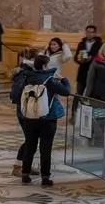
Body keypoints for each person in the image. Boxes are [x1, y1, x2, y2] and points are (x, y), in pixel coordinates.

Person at [10, 48, 70, 186]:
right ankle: (45, 177)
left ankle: (25, 174)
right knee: (45, 148)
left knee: (30, 145)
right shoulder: (50, 80)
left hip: (29, 117)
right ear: (45, 66)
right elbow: (66, 91)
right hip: (47, 119)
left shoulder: (26, 78)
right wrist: (64, 79)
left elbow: (15, 96)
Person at [73, 25, 104, 100]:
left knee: (92, 94)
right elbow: (76, 58)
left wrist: (92, 58)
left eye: (92, 32)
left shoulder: (99, 44)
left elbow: (102, 58)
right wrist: (80, 60)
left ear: (95, 33)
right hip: (83, 71)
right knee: (79, 92)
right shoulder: (81, 44)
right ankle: (75, 110)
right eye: (88, 32)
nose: (89, 34)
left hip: (94, 71)